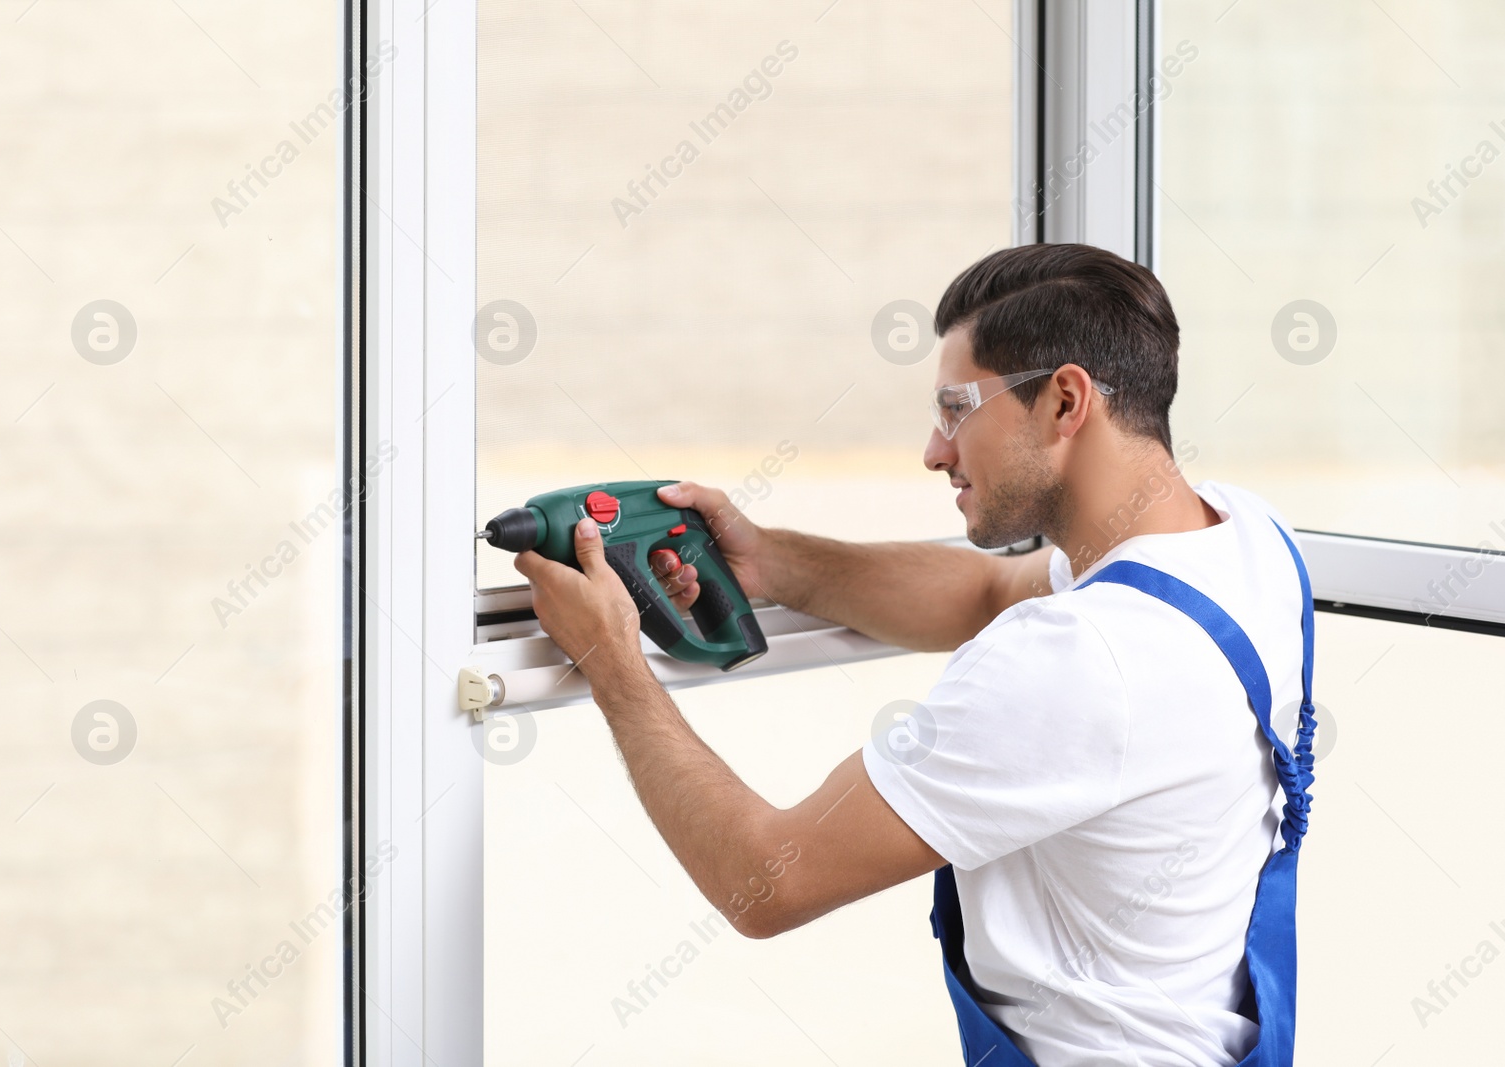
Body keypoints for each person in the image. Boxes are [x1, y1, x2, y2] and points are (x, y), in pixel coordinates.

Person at [513, 243, 1317, 1067]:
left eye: (957, 408)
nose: (936, 450)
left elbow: (766, 879)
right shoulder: (1241, 537)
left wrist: (612, 659)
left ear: (1066, 401)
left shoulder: (1079, 661)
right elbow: (987, 592)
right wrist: (772, 562)